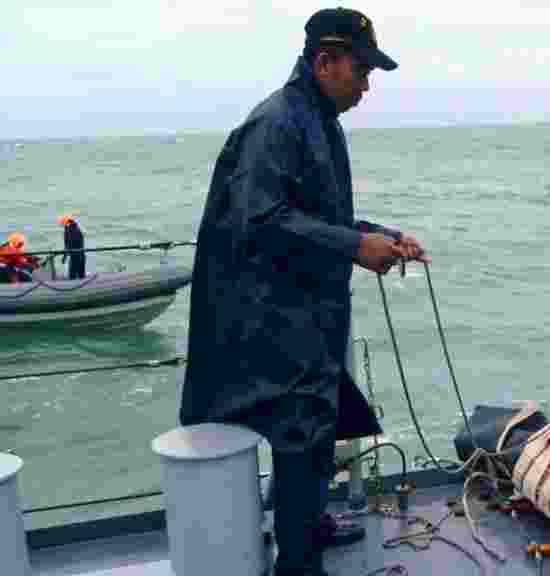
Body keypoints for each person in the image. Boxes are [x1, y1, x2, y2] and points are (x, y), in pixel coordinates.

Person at [179, 8, 427, 576]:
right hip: (265, 315)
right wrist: (352, 248)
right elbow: (261, 220)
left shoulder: (316, 118)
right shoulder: (277, 124)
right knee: (299, 433)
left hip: (303, 312)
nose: (367, 84)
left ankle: (309, 522)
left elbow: (317, 215)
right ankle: (298, 562)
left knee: (317, 427)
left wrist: (377, 236)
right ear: (323, 61)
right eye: (361, 70)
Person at [58, 214, 86, 280]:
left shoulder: (68, 230)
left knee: (72, 276)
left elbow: (68, 245)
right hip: (81, 255)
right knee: (81, 276)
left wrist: (64, 257)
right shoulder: (77, 228)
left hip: (74, 257)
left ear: (65, 223)